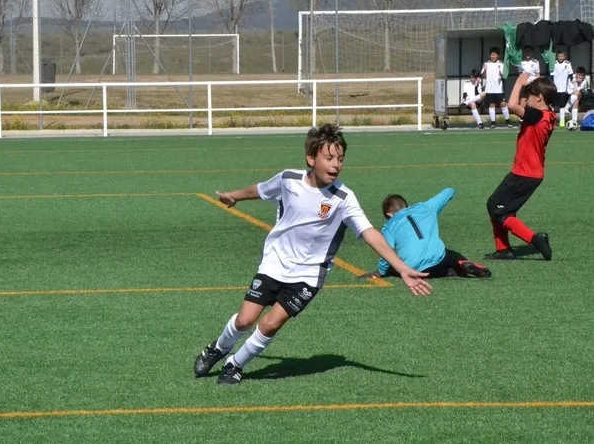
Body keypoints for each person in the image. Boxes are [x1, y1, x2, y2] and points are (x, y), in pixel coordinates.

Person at [192, 124, 432, 386]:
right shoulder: (288, 180)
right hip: (275, 262)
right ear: (311, 158)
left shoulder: (343, 198)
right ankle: (218, 348)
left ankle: (235, 365)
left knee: (271, 324)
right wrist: (234, 196)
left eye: (340, 159)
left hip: (308, 275)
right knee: (244, 320)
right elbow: (260, 190)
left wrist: (401, 268)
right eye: (329, 158)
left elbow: (369, 232)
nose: (336, 165)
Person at [486, 72, 557, 261]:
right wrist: (530, 87)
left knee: (495, 207)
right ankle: (503, 250)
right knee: (501, 208)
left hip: (524, 173)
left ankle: (535, 239)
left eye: (530, 94)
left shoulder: (536, 115)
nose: (526, 98)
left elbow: (511, 106)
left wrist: (518, 83)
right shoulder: (549, 115)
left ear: (539, 97)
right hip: (532, 173)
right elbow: (525, 106)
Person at [361, 189, 491, 281]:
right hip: (439, 258)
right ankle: (461, 264)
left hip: (416, 269)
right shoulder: (426, 207)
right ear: (408, 205)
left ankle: (448, 271)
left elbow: (386, 250)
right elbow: (449, 191)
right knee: (450, 254)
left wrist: (380, 271)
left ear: (389, 215)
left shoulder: (389, 226)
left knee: (393, 265)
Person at [481, 47, 511, 129]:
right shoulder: (486, 64)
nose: (493, 56)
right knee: (491, 105)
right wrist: (484, 70)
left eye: (494, 55)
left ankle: (507, 120)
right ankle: (493, 122)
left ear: (498, 56)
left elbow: (504, 76)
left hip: (499, 88)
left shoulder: (501, 64)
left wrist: (502, 74)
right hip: (489, 89)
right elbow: (483, 75)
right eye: (492, 55)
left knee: (503, 104)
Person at [551, 50, 574, 127]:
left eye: (562, 56)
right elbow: (551, 76)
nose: (560, 57)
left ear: (564, 56)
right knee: (553, 105)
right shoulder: (554, 64)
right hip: (555, 88)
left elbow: (570, 74)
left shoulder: (567, 63)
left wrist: (571, 84)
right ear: (557, 56)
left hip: (563, 88)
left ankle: (562, 121)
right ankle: (552, 121)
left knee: (562, 105)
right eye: (559, 56)